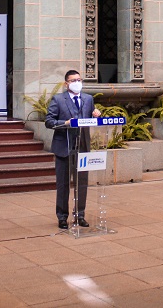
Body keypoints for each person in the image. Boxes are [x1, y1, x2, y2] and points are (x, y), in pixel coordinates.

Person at [45, 69, 101, 230]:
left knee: (82, 183)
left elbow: (90, 120)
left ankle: (80, 215)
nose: (77, 83)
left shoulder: (88, 99)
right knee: (63, 184)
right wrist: (65, 123)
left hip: (82, 146)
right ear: (66, 84)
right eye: (73, 80)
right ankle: (62, 217)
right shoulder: (58, 99)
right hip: (64, 146)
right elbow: (49, 121)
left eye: (79, 80)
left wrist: (96, 116)